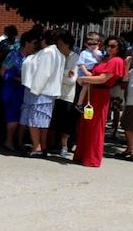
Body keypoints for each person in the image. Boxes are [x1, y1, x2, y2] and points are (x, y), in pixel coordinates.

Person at [74, 36, 128, 167]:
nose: (109, 48)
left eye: (113, 46)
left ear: (119, 48)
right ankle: (82, 155)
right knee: (86, 124)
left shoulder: (116, 61)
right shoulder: (105, 59)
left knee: (95, 126)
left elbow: (103, 79)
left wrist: (83, 79)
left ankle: (91, 158)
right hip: (92, 93)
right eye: (108, 45)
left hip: (100, 94)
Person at [20, 30, 66, 157]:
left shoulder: (47, 53)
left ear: (43, 40)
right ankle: (43, 145)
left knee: (34, 121)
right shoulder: (59, 54)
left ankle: (37, 147)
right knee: (43, 121)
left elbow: (43, 73)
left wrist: (35, 89)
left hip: (40, 91)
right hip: (50, 92)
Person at [0, 31, 36, 151]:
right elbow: (2, 72)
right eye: (34, 43)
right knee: (13, 116)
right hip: (12, 90)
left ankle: (17, 142)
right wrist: (18, 78)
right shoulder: (14, 55)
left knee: (20, 117)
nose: (35, 46)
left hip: (23, 91)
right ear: (26, 43)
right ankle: (8, 141)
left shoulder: (30, 58)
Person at [48, 31, 80, 159]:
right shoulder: (58, 56)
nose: (58, 46)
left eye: (60, 44)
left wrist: (58, 75)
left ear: (67, 45)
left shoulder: (75, 58)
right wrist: (64, 74)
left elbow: (72, 80)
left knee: (66, 123)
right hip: (56, 94)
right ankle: (51, 145)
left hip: (68, 96)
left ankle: (64, 147)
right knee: (55, 121)